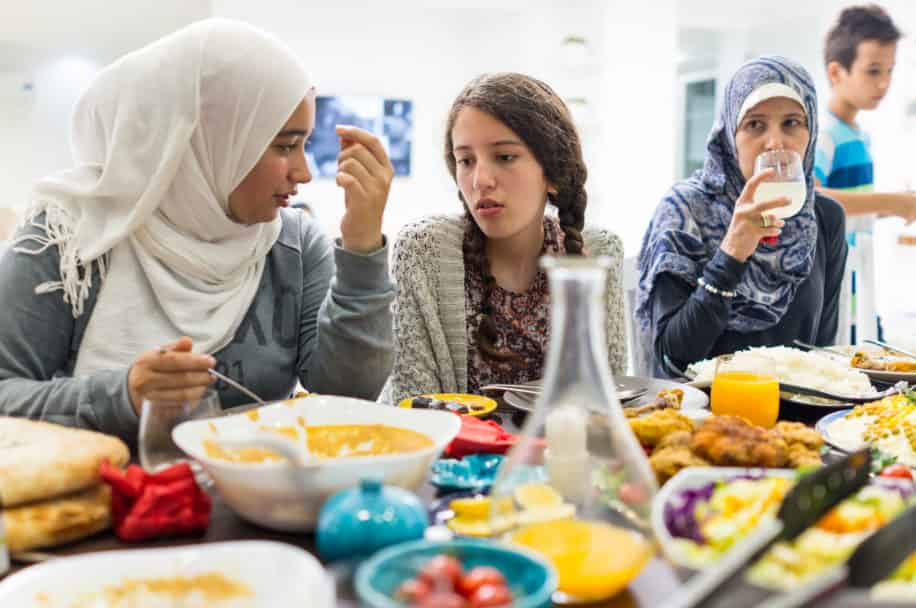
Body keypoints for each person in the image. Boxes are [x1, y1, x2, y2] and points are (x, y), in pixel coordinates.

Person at [0, 19, 395, 443]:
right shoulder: (68, 240)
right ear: (204, 138)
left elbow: (348, 396)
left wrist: (362, 246)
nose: (303, 171)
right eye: (283, 146)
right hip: (99, 502)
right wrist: (123, 396)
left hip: (258, 498)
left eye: (304, 145)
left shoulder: (294, 245)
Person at [382, 72, 626, 403]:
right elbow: (415, 412)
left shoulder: (598, 253)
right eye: (466, 161)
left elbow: (607, 406)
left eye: (505, 157)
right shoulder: (423, 250)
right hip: (453, 455)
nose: (480, 180)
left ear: (552, 173)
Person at [636, 56, 847, 378]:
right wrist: (733, 252)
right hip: (704, 413)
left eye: (791, 123)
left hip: (795, 417)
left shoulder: (824, 217)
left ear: (812, 132)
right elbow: (672, 357)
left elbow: (824, 354)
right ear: (729, 135)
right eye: (755, 125)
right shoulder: (685, 211)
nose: (775, 142)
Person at [815, 4, 916, 343]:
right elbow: (813, 198)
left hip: (856, 285)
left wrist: (899, 206)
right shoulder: (824, 133)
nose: (884, 83)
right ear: (836, 73)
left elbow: (852, 210)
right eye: (873, 71)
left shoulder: (857, 134)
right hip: (830, 289)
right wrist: (890, 200)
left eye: (889, 70)